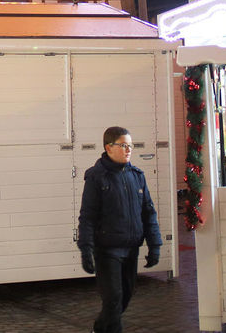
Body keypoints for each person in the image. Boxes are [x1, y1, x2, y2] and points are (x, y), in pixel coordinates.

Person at [77, 126, 162, 333]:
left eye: (130, 145)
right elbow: (87, 216)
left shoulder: (137, 176)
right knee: (113, 298)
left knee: (124, 298)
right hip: (108, 251)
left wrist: (155, 244)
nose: (128, 150)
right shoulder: (97, 177)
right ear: (109, 147)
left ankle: (99, 328)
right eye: (123, 145)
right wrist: (86, 249)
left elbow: (148, 212)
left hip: (131, 248)